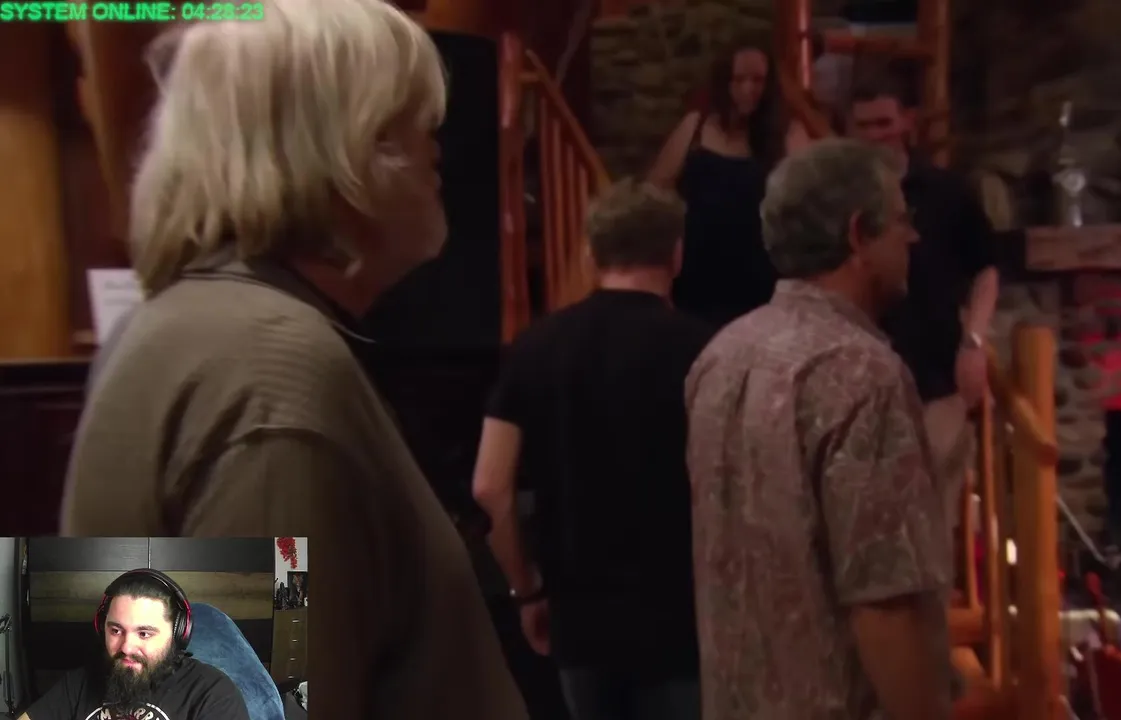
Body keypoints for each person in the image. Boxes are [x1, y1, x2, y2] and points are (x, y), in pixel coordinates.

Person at [59, 2, 528, 718]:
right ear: (326, 149)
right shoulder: (268, 366)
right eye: (400, 121)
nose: (436, 144)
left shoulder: (181, 327)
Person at [684, 138, 954, 720]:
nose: (913, 237)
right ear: (857, 235)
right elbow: (884, 602)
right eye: (900, 220)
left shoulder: (721, 355)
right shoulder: (860, 373)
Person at [473, 179, 714, 720]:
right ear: (676, 254)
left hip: (580, 621)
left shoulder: (536, 346)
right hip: (681, 622)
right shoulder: (705, 351)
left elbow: (489, 484)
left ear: (590, 253)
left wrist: (526, 590)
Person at [844, 74, 999, 537]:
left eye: (884, 123)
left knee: (930, 521)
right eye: (863, 126)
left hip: (935, 377)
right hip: (860, 383)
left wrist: (974, 342)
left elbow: (986, 269)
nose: (875, 135)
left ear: (907, 122)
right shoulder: (839, 198)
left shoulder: (946, 191)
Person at [647, 40, 809, 327]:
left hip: (760, 274)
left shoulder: (787, 134)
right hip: (699, 274)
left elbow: (811, 198)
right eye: (739, 79)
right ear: (724, 82)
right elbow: (655, 192)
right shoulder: (695, 128)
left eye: (758, 80)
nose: (748, 89)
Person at [18, 569, 249, 720]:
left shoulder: (213, 694)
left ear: (177, 634)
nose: (126, 647)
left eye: (144, 633)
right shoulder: (80, 683)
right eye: (116, 630)